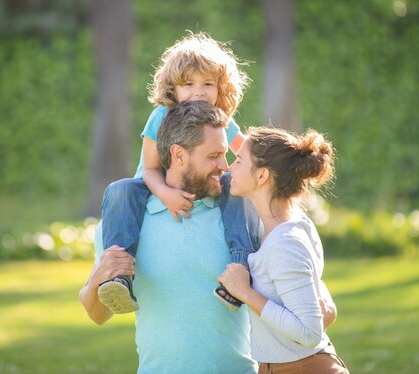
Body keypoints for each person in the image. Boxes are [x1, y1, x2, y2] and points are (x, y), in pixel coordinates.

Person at [79, 101, 258, 373]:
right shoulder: (124, 222)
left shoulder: (242, 216)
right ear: (178, 155)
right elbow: (98, 314)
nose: (225, 166)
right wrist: (97, 278)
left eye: (225, 154)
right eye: (213, 156)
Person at [97, 31, 255, 314]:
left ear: (221, 88)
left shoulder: (219, 120)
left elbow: (245, 151)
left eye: (208, 84)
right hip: (152, 183)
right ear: (174, 88)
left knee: (234, 186)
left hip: (204, 181)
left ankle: (241, 266)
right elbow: (150, 169)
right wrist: (166, 194)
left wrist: (259, 165)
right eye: (189, 84)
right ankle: (119, 276)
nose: (198, 91)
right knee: (120, 189)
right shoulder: (161, 116)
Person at [218, 127, 350, 373]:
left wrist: (245, 293)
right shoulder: (290, 226)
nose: (229, 167)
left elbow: (309, 332)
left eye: (238, 160)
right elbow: (315, 296)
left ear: (261, 176)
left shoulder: (284, 241)